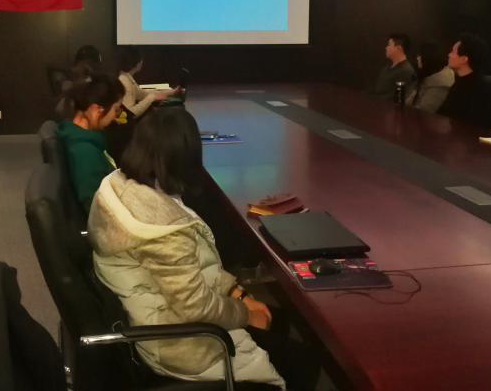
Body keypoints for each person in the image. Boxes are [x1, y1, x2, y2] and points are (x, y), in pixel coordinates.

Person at [89, 108, 319, 389]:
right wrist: (245, 313)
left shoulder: (123, 185)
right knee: (303, 363)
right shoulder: (162, 229)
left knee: (278, 323)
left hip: (159, 312)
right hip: (181, 344)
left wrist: (236, 292)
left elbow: (193, 267)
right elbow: (194, 307)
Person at [57, 74, 125, 212]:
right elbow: (97, 209)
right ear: (96, 110)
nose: (115, 116)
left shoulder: (75, 134)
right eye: (116, 109)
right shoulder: (85, 153)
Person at [438, 33, 491, 126]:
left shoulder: (478, 88)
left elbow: (471, 124)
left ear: (464, 59)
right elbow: (442, 114)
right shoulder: (459, 82)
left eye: (453, 52)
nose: (449, 54)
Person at [117, 46, 177, 118]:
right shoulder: (124, 81)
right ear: (137, 63)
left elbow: (143, 93)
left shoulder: (126, 77)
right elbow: (130, 114)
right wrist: (151, 98)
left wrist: (171, 92)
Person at [408, 42, 455, 112]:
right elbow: (409, 102)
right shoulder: (425, 74)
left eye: (420, 55)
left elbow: (424, 111)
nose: (417, 58)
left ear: (429, 58)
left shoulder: (441, 84)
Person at [373, 33, 416, 101]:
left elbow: (397, 98)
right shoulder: (387, 67)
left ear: (398, 48)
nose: (386, 48)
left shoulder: (407, 71)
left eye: (389, 45)